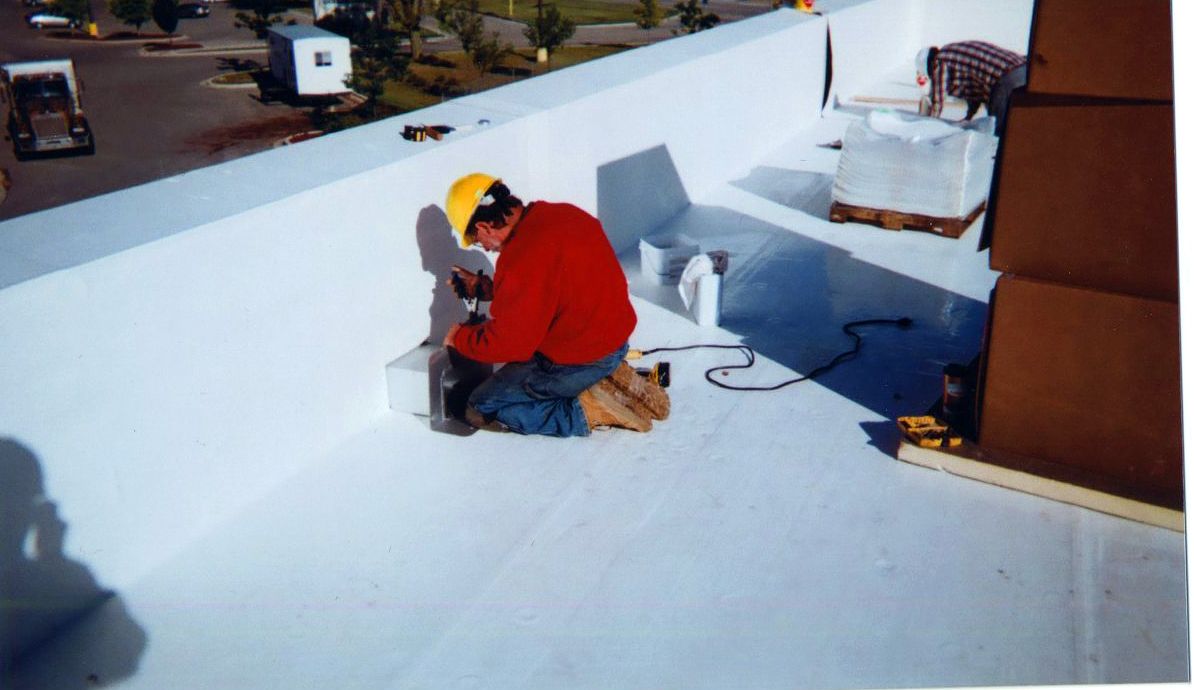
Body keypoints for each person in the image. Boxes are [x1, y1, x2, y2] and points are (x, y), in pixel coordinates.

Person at [441, 173, 668, 437]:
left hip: (578, 361)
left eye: (477, 241)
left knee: (480, 407)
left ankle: (585, 410)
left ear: (483, 227)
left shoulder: (520, 258)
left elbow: (512, 345)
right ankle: (604, 378)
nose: (485, 247)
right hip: (614, 343)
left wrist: (460, 338)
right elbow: (554, 286)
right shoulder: (563, 214)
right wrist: (490, 289)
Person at [915, 41, 1027, 136]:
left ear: (930, 66)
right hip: (1024, 70)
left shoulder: (940, 59)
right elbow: (974, 93)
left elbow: (938, 98)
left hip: (1005, 77)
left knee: (998, 131)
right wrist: (968, 117)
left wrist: (929, 125)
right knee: (1018, 125)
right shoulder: (954, 54)